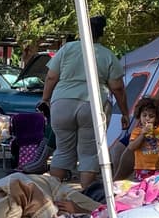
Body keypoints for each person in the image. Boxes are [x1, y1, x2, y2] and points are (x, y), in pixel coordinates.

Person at [38, 14, 130, 189]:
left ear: (81, 31)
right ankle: (86, 195)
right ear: (100, 33)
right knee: (89, 154)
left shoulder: (67, 49)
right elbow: (117, 87)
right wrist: (125, 113)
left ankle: (51, 193)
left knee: (62, 151)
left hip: (62, 103)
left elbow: (51, 77)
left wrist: (45, 99)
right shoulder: (107, 55)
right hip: (92, 105)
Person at [128, 97, 159, 180]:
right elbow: (131, 147)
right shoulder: (137, 131)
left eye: (151, 116)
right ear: (139, 116)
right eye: (144, 115)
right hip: (142, 168)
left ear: (157, 118)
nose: (147, 118)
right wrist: (142, 134)